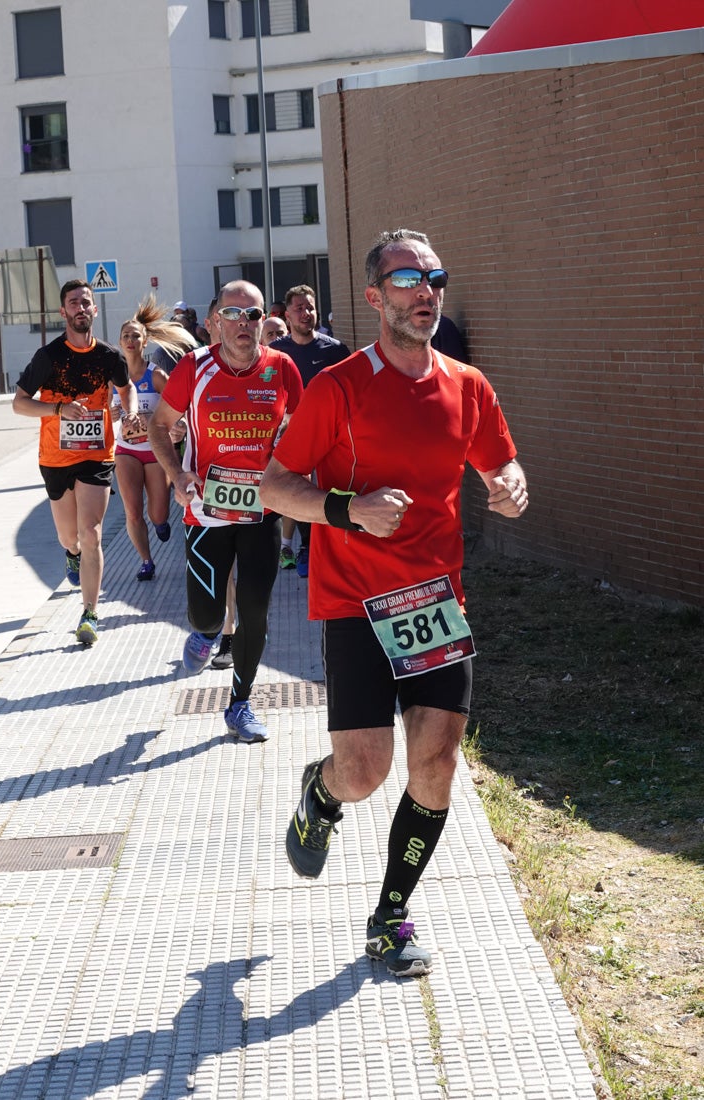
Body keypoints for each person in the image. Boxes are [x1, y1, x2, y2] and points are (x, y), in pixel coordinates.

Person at [260, 229, 528, 976]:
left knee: (436, 761)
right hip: (354, 603)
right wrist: (347, 510)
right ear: (375, 297)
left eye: (433, 277)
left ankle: (390, 917)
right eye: (406, 278)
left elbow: (498, 462)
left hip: (435, 601)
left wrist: (509, 485)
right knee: (366, 769)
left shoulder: (468, 386)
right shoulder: (338, 387)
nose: (425, 291)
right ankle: (321, 791)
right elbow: (275, 486)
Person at [147, 281, 303, 742]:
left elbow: (303, 428)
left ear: (262, 323)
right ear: (215, 321)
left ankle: (240, 703)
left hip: (262, 512)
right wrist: (176, 475)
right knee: (209, 617)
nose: (243, 324)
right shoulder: (195, 368)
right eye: (233, 314)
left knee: (255, 611)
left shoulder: (283, 368)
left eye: (253, 315)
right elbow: (160, 425)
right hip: (205, 512)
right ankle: (204, 633)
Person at [13, 279, 140, 646]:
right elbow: (20, 403)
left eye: (86, 302)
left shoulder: (109, 356)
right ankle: (71, 554)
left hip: (97, 455)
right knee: (70, 537)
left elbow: (126, 386)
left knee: (92, 532)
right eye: (73, 303)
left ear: (94, 310)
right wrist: (58, 409)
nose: (80, 308)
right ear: (63, 312)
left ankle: (89, 613)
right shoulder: (50, 356)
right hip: (55, 456)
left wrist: (129, 413)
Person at [114, 297, 197, 580]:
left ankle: (161, 523)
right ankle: (146, 561)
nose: (130, 340)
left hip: (155, 452)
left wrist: (180, 424)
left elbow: (182, 407)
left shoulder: (156, 376)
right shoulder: (113, 379)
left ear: (144, 342)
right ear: (120, 341)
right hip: (126, 450)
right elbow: (100, 412)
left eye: (135, 335)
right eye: (125, 335)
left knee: (157, 514)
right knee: (133, 511)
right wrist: (111, 414)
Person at [270, 284, 351, 576]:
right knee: (298, 491)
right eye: (299, 308)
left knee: (330, 491)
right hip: (293, 438)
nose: (306, 313)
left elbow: (352, 394)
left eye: (310, 307)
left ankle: (333, 549)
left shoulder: (335, 350)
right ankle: (303, 546)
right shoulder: (275, 354)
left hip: (333, 439)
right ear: (287, 316)